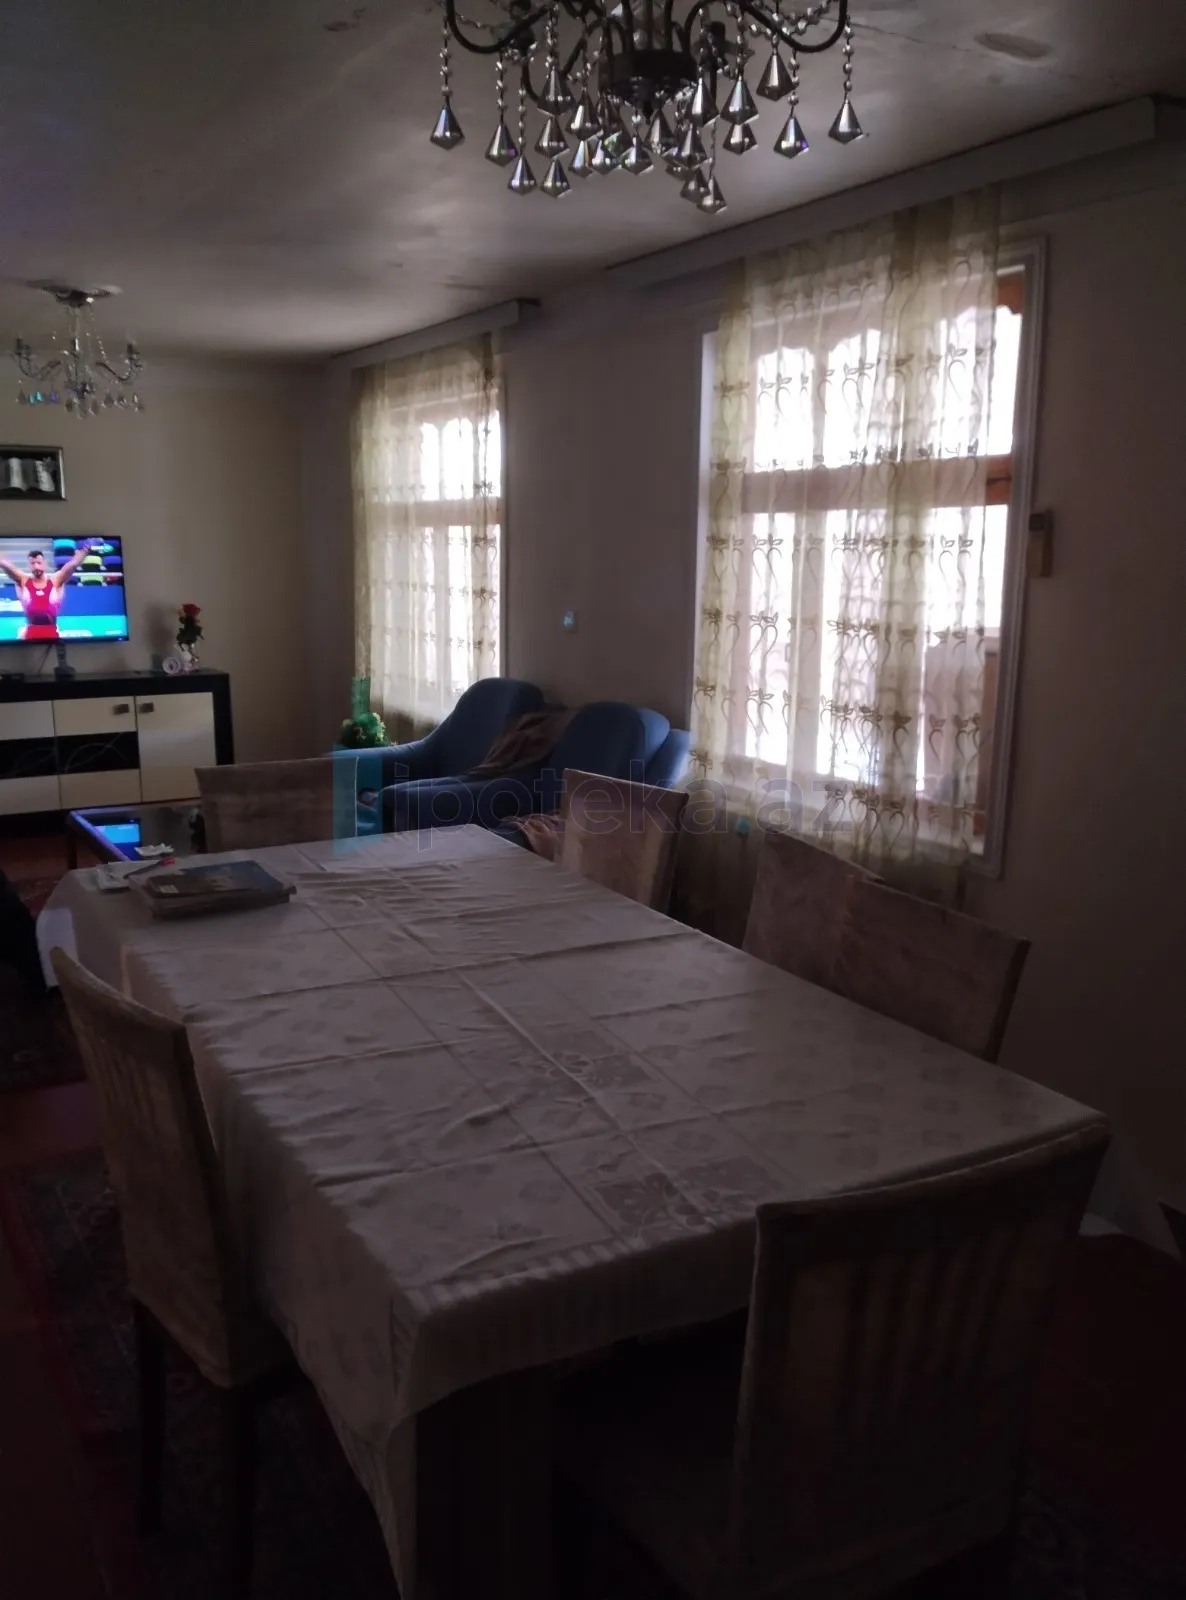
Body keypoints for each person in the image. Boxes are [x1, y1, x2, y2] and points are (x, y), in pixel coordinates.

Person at [0, 541, 93, 641]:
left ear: (45, 564)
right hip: (30, 635)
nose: (36, 566)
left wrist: (87, 548)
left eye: (39, 563)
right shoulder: (23, 580)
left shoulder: (55, 580)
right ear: (29, 565)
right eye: (33, 563)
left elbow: (73, 564)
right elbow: (4, 564)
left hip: (52, 634)